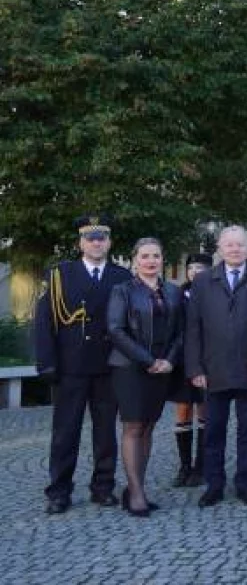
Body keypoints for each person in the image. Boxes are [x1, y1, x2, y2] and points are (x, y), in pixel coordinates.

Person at [35, 214, 132, 514]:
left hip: (108, 365)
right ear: (81, 242)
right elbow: (44, 322)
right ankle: (59, 490)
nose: (96, 242)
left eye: (101, 237)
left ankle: (102, 487)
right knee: (65, 432)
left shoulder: (121, 276)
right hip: (70, 365)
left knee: (105, 432)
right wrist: (47, 362)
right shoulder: (60, 275)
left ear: (109, 242)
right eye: (90, 238)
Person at [188, 227, 247, 507]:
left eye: (239, 245)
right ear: (219, 248)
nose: (234, 249)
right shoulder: (203, 281)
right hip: (213, 370)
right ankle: (214, 484)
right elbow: (193, 328)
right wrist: (195, 368)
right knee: (213, 431)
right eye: (229, 245)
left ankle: (245, 483)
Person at [107, 237, 183, 516]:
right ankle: (136, 493)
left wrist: (169, 361)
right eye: (145, 256)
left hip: (161, 369)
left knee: (149, 426)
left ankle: (135, 486)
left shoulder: (173, 292)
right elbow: (116, 330)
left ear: (163, 260)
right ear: (134, 260)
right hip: (130, 368)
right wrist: (148, 360)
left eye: (156, 256)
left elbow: (181, 333)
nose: (151, 261)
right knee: (133, 427)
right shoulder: (122, 291)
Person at [171, 253, 211, 488]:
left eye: (201, 268)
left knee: (204, 411)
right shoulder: (176, 295)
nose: (195, 271)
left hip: (207, 360)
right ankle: (184, 465)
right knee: (183, 411)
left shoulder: (214, 293)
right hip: (182, 361)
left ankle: (201, 466)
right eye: (192, 267)